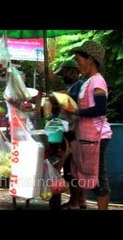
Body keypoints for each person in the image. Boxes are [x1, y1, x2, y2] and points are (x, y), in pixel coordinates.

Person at [64, 41, 112, 210]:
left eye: (79, 60)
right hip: (86, 136)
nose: (78, 64)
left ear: (90, 59)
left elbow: (100, 109)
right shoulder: (87, 81)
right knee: (85, 173)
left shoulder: (98, 81)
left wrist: (76, 112)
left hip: (97, 136)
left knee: (99, 178)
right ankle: (79, 201)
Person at [53, 60, 86, 210]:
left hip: (73, 131)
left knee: (71, 169)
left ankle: (74, 202)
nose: (63, 77)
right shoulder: (73, 86)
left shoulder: (78, 86)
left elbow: (69, 102)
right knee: (74, 167)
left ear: (73, 72)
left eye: (64, 73)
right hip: (71, 129)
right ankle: (81, 200)